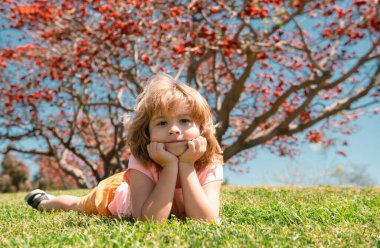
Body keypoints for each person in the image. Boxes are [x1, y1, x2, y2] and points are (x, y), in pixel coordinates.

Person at [25, 73, 224, 222]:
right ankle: (46, 202)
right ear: (147, 131)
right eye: (162, 123)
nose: (173, 130)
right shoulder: (142, 158)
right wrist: (171, 167)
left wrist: (187, 165)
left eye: (184, 120)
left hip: (155, 176)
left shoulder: (210, 160)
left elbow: (207, 221)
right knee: (79, 205)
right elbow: (149, 221)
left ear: (201, 127)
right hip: (115, 194)